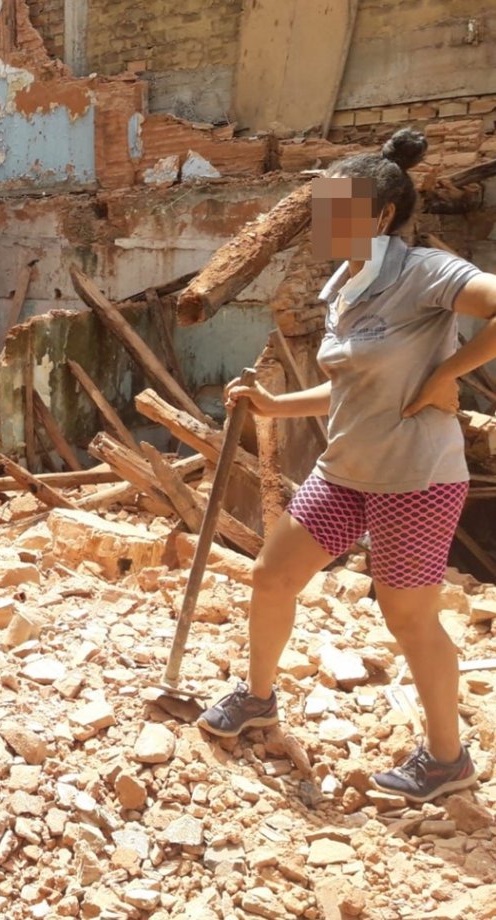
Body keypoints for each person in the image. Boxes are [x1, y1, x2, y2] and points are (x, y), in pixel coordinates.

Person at [197, 127, 496, 803]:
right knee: (273, 575)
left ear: (381, 216)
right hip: (347, 471)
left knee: (408, 616)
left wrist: (447, 374)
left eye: (338, 210)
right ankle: (258, 697)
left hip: (416, 476)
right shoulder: (343, 282)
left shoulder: (422, 272)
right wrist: (274, 405)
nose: (323, 225)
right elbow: (353, 382)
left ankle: (447, 760)